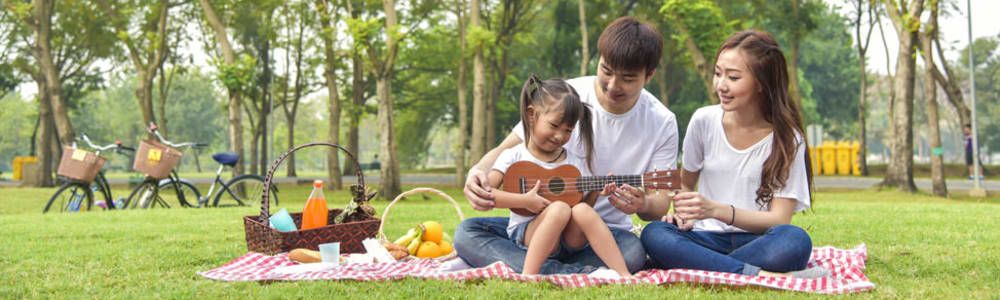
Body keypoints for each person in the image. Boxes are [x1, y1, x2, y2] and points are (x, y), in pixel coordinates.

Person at [455, 16, 679, 274]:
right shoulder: (568, 95)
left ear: (649, 75)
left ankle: (534, 267)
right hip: (537, 222)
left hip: (599, 232)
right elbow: (506, 148)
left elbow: (660, 202)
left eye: (627, 78)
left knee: (632, 253)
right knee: (467, 232)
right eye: (606, 70)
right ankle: (578, 271)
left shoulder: (662, 121)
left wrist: (642, 205)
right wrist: (477, 171)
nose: (612, 85)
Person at [640, 30, 828, 278]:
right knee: (655, 233)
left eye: (733, 77)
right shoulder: (704, 120)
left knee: (795, 240)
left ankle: (702, 266)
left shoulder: (788, 139)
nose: (721, 85)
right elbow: (685, 183)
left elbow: (780, 219)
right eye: (718, 73)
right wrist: (682, 213)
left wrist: (717, 210)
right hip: (704, 236)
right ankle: (761, 274)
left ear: (762, 83)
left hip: (758, 240)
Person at [486, 75, 630, 276]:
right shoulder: (513, 155)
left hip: (566, 240)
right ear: (531, 115)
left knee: (580, 210)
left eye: (568, 130)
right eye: (554, 126)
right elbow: (487, 193)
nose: (560, 136)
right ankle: (528, 275)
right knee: (559, 209)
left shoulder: (575, 162)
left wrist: (597, 190)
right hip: (526, 232)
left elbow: (581, 212)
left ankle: (625, 275)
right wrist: (524, 201)